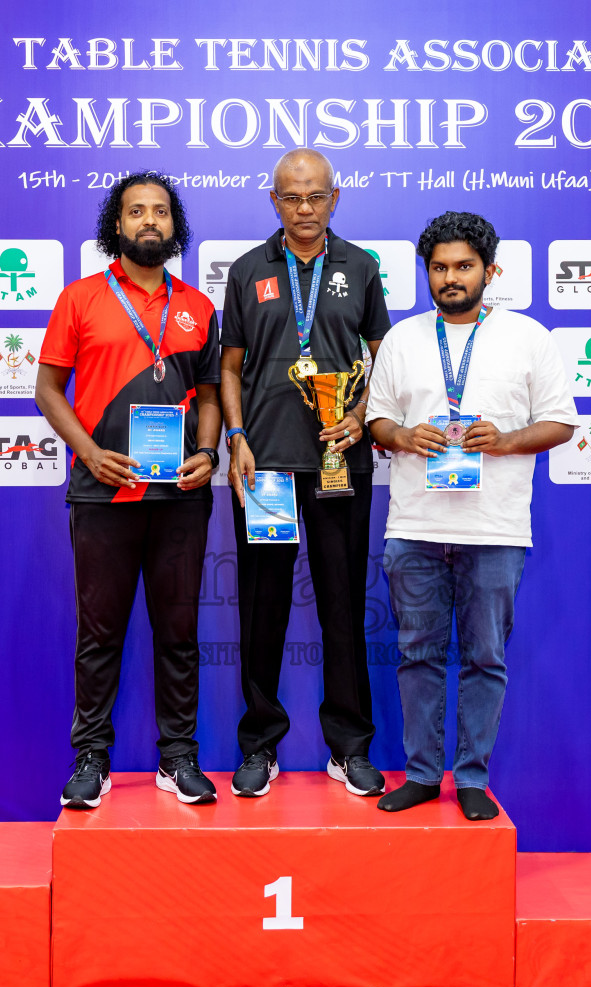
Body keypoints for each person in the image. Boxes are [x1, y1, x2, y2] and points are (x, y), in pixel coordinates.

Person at [365, 212, 577, 821]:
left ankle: (474, 778)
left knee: (486, 657)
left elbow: (561, 422)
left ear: (490, 270)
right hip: (415, 527)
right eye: (439, 268)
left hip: (495, 528)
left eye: (463, 267)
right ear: (426, 273)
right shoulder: (404, 339)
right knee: (417, 654)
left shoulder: (528, 337)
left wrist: (504, 440)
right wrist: (404, 436)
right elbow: (377, 420)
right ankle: (424, 775)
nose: (450, 278)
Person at [35, 172, 222, 809]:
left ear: (175, 227)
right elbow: (48, 390)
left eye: (161, 212)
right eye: (136, 211)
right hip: (101, 493)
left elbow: (215, 396)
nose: (149, 221)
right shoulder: (80, 299)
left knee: (178, 632)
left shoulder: (197, 306)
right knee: (100, 632)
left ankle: (179, 758)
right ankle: (92, 757)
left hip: (180, 497)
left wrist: (207, 451)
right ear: (117, 224)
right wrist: (87, 452)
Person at [219, 148, 393, 799]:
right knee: (262, 611)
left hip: (338, 465)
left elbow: (388, 361)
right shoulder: (246, 271)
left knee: (343, 607)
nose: (304, 209)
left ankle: (349, 748)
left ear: (335, 198)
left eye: (316, 196)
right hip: (263, 469)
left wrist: (361, 417)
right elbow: (230, 368)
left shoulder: (361, 268)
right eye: (292, 197)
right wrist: (236, 436)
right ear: (274, 201)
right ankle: (259, 746)